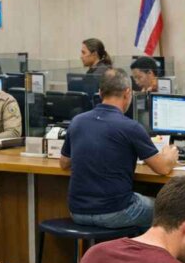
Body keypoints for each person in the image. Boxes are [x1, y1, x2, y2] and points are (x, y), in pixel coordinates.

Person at [59, 68, 177, 230]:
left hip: (77, 212)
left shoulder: (78, 121)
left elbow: (64, 163)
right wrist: (169, 155)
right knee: (170, 211)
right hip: (116, 212)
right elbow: (162, 168)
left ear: (100, 93)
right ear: (128, 93)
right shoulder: (131, 127)